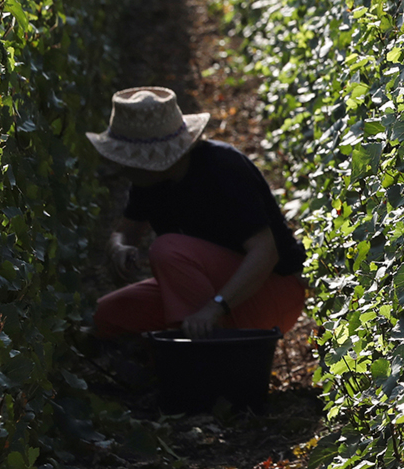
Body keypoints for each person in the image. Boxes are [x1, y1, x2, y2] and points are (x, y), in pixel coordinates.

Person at [87, 87, 307, 340]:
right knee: (107, 313)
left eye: (126, 158)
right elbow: (123, 232)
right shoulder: (148, 181)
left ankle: (206, 358)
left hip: (272, 292)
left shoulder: (224, 169)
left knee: (167, 249)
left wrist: (214, 308)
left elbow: (265, 253)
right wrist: (118, 248)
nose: (120, 166)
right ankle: (193, 340)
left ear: (155, 160)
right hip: (214, 292)